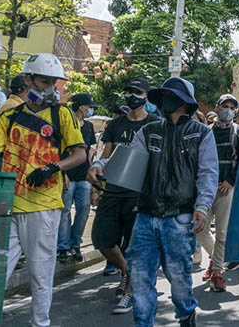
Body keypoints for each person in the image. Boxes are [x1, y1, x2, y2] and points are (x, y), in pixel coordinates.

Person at [89, 77, 218, 327]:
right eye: (164, 95)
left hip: (180, 219)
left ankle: (186, 315)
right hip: (146, 217)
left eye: (172, 95)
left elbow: (208, 174)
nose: (166, 100)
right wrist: (97, 165)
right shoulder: (148, 131)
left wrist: (202, 207)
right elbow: (124, 160)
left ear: (185, 102)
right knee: (139, 277)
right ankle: (143, 323)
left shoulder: (201, 133)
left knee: (179, 281)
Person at [0, 53, 86, 327]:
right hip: (6, 207)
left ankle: (40, 323)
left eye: (53, 82)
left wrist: (54, 168)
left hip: (44, 207)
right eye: (42, 81)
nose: (49, 88)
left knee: (40, 275)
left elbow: (79, 155)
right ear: (28, 80)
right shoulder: (11, 115)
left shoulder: (62, 114)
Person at [89, 78, 160, 315]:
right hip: (112, 190)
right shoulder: (115, 125)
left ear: (146, 96)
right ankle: (129, 273)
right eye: (129, 91)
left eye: (137, 92)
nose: (132, 95)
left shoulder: (155, 124)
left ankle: (129, 292)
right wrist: (96, 187)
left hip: (139, 195)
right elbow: (105, 156)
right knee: (102, 239)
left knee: (134, 245)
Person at [196, 94, 239, 292]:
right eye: (225, 106)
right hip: (205, 188)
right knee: (200, 230)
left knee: (223, 232)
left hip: (227, 189)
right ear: (217, 108)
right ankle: (215, 258)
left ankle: (217, 272)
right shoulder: (205, 132)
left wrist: (231, 181)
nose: (229, 110)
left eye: (232, 107)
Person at [56, 93, 99, 263]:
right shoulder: (65, 124)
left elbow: (91, 149)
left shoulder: (88, 126)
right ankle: (63, 246)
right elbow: (59, 152)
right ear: (81, 107)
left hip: (84, 176)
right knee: (65, 211)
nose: (90, 110)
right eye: (89, 107)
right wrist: (63, 173)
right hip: (68, 174)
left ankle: (76, 243)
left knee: (84, 209)